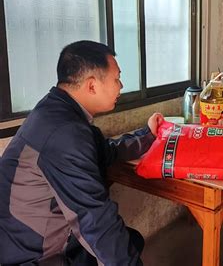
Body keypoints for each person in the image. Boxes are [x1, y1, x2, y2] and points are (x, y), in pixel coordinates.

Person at [0, 41, 163, 265]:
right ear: (92, 85)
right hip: (31, 254)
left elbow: (106, 152)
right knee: (117, 243)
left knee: (130, 241)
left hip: (39, 236)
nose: (121, 85)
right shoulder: (64, 133)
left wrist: (148, 135)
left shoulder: (58, 111)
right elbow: (95, 220)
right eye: (116, 78)